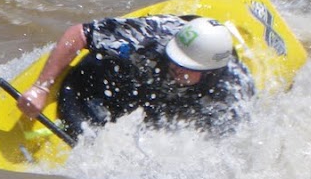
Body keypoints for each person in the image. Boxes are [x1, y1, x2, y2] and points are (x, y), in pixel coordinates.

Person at [17, 14, 255, 140]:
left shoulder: (230, 92)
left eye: (186, 66)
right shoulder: (152, 35)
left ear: (210, 72)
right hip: (128, 82)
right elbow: (79, 33)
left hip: (179, 105)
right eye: (175, 59)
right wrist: (41, 87)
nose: (176, 67)